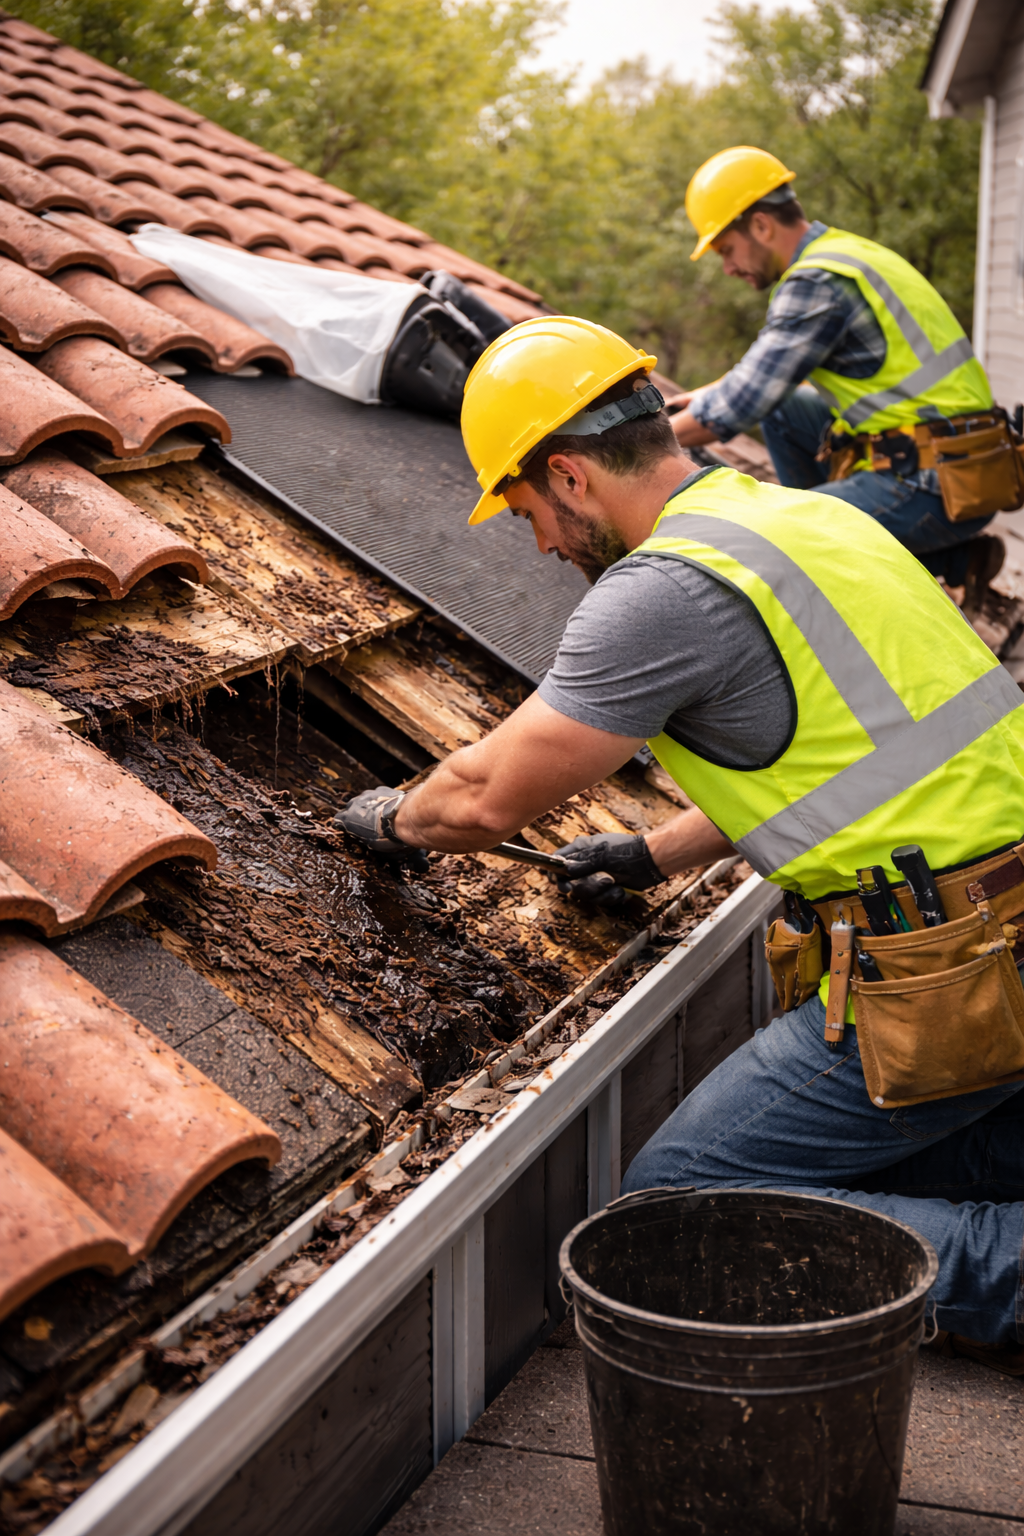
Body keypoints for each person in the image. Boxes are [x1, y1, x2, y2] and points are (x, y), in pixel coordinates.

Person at [339, 315, 1024, 1362]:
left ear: (568, 478)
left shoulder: (659, 589)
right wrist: (653, 853)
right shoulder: (806, 519)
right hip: (997, 935)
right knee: (869, 1174)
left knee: (673, 1213)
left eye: (526, 509)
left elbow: (480, 798)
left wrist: (391, 819)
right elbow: (865, 763)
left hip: (944, 977)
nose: (538, 543)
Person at [668, 146, 1007, 611]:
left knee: (776, 537)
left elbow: (738, 407)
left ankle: (818, 553)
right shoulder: (846, 253)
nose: (727, 268)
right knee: (785, 409)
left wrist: (643, 443)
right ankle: (946, 557)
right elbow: (763, 376)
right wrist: (697, 397)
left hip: (933, 485)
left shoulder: (816, 283)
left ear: (761, 226)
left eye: (726, 249)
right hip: (963, 465)